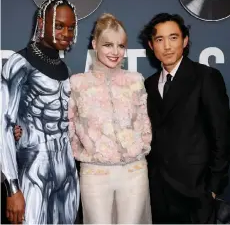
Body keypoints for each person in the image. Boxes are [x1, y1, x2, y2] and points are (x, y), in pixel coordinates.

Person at [139, 13, 230, 224]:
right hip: (158, 193)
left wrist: (212, 190)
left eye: (173, 37)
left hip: (196, 193)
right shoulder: (148, 85)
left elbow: (222, 137)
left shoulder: (206, 77)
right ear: (152, 46)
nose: (167, 46)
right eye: (160, 40)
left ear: (185, 40)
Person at [1, 0, 80, 224]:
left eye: (71, 27)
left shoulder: (65, 69)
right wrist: (12, 188)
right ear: (41, 22)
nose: (66, 33)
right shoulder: (19, 62)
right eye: (58, 25)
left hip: (66, 168)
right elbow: (3, 126)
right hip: (33, 167)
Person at [68, 13, 152, 224]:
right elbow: (69, 125)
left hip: (134, 170)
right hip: (95, 172)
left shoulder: (135, 81)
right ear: (95, 44)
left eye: (121, 46)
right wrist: (85, 150)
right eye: (108, 45)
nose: (115, 52)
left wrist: (140, 147)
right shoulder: (78, 83)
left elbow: (144, 121)